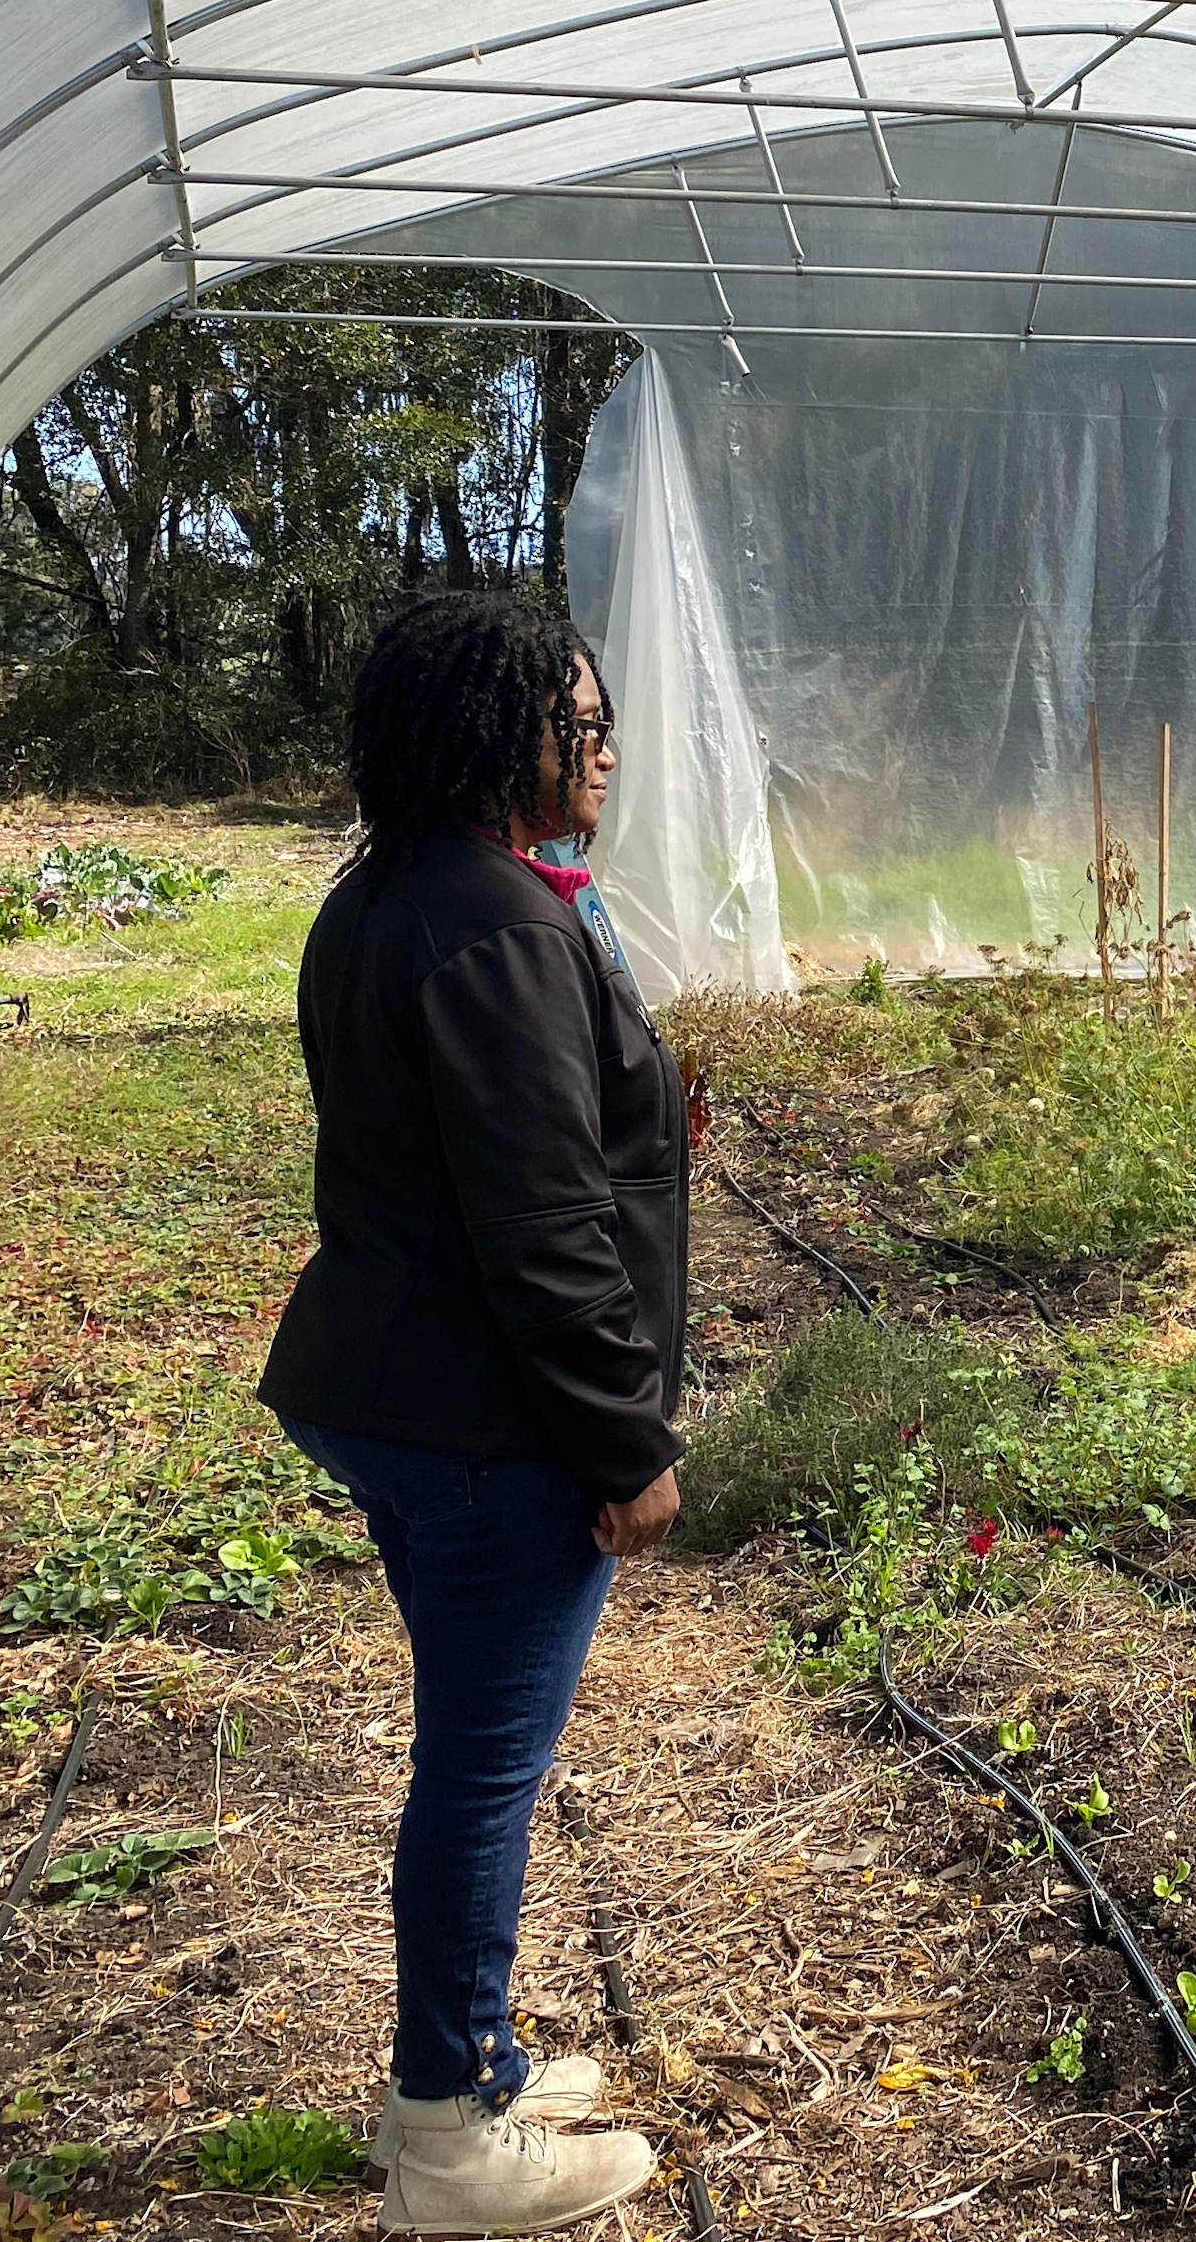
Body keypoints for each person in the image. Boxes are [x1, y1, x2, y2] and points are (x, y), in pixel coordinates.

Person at [261, 590, 687, 2236]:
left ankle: (477, 2054)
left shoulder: (389, 898)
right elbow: (543, 1225)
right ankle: (448, 2125)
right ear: (498, 736)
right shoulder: (503, 926)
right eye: (578, 725)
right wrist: (626, 1443)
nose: (601, 754)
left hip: (399, 1392)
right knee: (481, 1780)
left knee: (474, 1759)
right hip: (489, 1430)